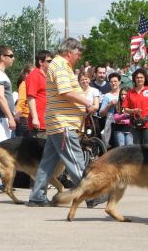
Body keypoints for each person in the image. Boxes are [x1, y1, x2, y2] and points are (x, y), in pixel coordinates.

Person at [28, 38, 96, 206]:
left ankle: (37, 196)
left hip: (58, 122)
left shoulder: (60, 66)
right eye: (78, 53)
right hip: (62, 123)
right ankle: (91, 194)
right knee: (75, 160)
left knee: (47, 163)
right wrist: (86, 102)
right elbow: (65, 91)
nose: (79, 57)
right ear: (69, 52)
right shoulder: (60, 66)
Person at [122, 68, 148, 144]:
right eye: (137, 77)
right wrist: (133, 110)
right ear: (134, 79)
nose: (139, 79)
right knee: (136, 147)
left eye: (141, 77)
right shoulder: (130, 92)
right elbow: (125, 109)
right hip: (135, 124)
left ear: (145, 78)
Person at [26, 50, 53, 138]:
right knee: (40, 151)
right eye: (49, 61)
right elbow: (30, 97)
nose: (51, 63)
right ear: (40, 62)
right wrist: (35, 118)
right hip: (39, 124)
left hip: (48, 123)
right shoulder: (34, 75)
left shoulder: (47, 76)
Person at [99, 72, 121, 146]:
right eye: (111, 82)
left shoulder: (125, 93)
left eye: (115, 81)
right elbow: (101, 114)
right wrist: (109, 105)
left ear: (119, 82)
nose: (113, 83)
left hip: (125, 124)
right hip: (112, 124)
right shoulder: (107, 96)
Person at [78, 72, 100, 137]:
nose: (84, 81)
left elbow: (96, 106)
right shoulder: (77, 92)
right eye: (82, 80)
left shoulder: (94, 91)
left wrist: (86, 110)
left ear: (89, 80)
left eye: (86, 79)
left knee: (90, 139)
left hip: (91, 119)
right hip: (79, 119)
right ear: (79, 81)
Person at [14, 64, 34, 137]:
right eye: (33, 73)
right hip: (24, 119)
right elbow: (21, 101)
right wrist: (17, 115)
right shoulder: (24, 85)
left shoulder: (29, 85)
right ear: (26, 74)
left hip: (27, 118)